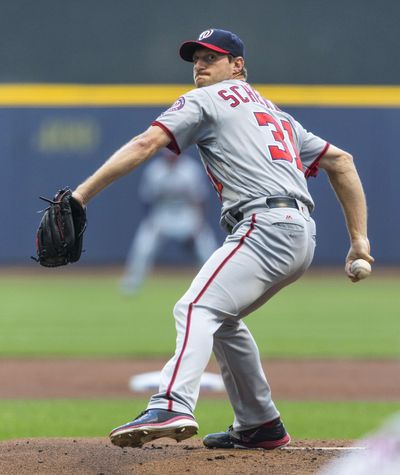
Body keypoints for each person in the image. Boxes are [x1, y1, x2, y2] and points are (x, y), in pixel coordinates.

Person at [72, 28, 374, 450]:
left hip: (264, 224)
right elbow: (341, 161)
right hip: (299, 233)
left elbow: (146, 143)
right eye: (195, 57)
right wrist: (359, 241)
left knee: (196, 305)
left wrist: (80, 195)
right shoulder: (279, 116)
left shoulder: (205, 100)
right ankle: (259, 423)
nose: (199, 63)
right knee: (222, 319)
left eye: (211, 57)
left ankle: (172, 402)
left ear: (238, 66)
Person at [120, 150, 218, 294]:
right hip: (162, 214)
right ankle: (132, 284)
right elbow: (147, 200)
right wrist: (151, 221)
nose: (171, 155)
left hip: (187, 214)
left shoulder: (190, 170)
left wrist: (199, 222)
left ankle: (215, 283)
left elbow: (200, 200)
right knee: (144, 244)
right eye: (168, 152)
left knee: (206, 247)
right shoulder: (154, 171)